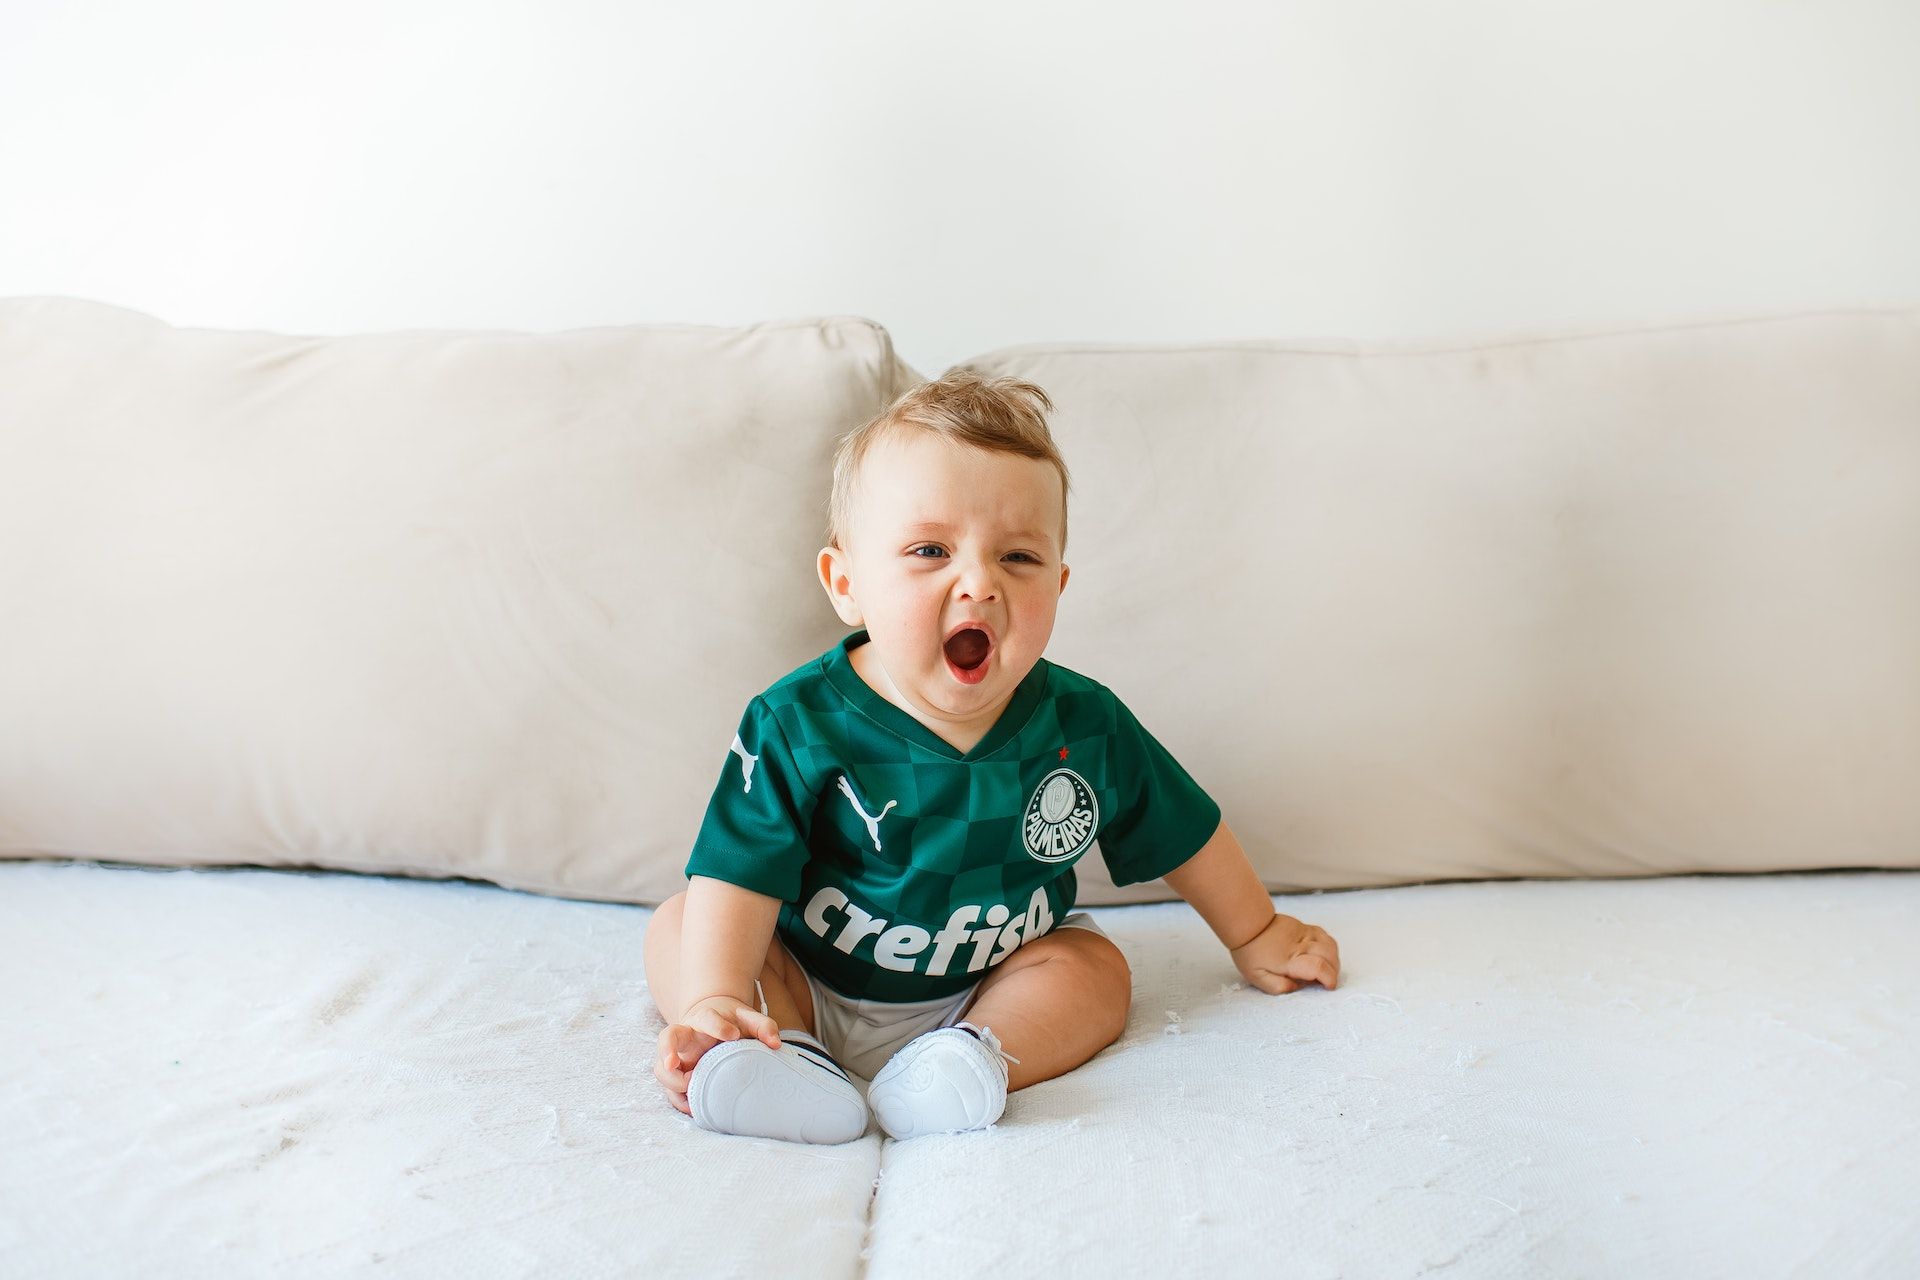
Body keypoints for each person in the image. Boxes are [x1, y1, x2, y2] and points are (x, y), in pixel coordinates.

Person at [644, 369, 1341, 1144]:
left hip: (986, 989)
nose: (978, 583)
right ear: (847, 584)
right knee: (683, 927)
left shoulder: (1085, 723)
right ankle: (768, 1061)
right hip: (807, 980)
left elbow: (1186, 831)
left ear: (1059, 583)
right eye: (929, 550)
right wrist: (713, 992)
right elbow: (736, 871)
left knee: (1095, 971)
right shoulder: (797, 722)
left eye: (1018, 558)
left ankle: (972, 1065)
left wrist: (1256, 932)